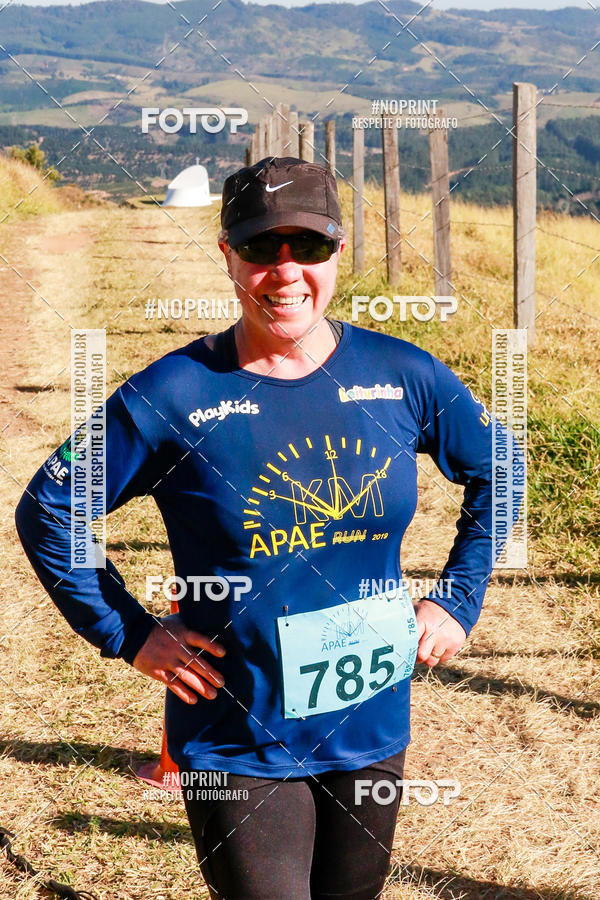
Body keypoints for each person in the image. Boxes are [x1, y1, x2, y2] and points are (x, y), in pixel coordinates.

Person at [16, 157, 508, 900]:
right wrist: (129, 631)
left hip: (369, 720)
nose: (285, 271)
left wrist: (458, 599)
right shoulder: (173, 393)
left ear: (338, 251)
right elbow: (50, 509)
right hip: (236, 736)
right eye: (259, 247)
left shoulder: (404, 374)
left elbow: (501, 467)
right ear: (227, 254)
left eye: (307, 246)